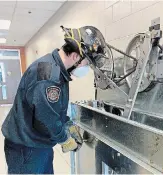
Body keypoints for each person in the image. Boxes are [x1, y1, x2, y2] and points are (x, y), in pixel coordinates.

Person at [1, 26, 105, 174]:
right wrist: (66, 139)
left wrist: (67, 123)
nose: (86, 68)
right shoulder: (49, 77)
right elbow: (47, 119)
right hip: (26, 147)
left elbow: (53, 109)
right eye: (87, 63)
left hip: (38, 142)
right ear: (76, 56)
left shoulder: (57, 69)